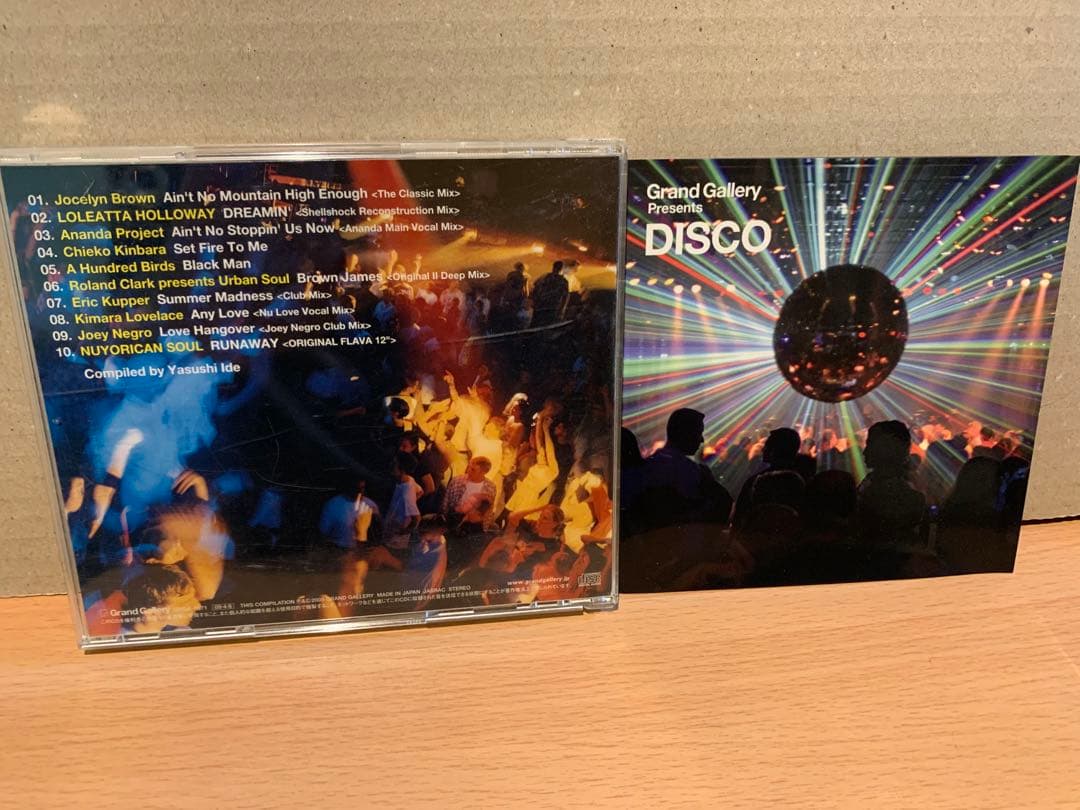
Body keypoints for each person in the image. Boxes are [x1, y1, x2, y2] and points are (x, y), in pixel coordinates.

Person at [856, 420, 927, 550]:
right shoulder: (912, 487)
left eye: (870, 444)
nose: (865, 452)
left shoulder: (894, 492)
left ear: (887, 449)